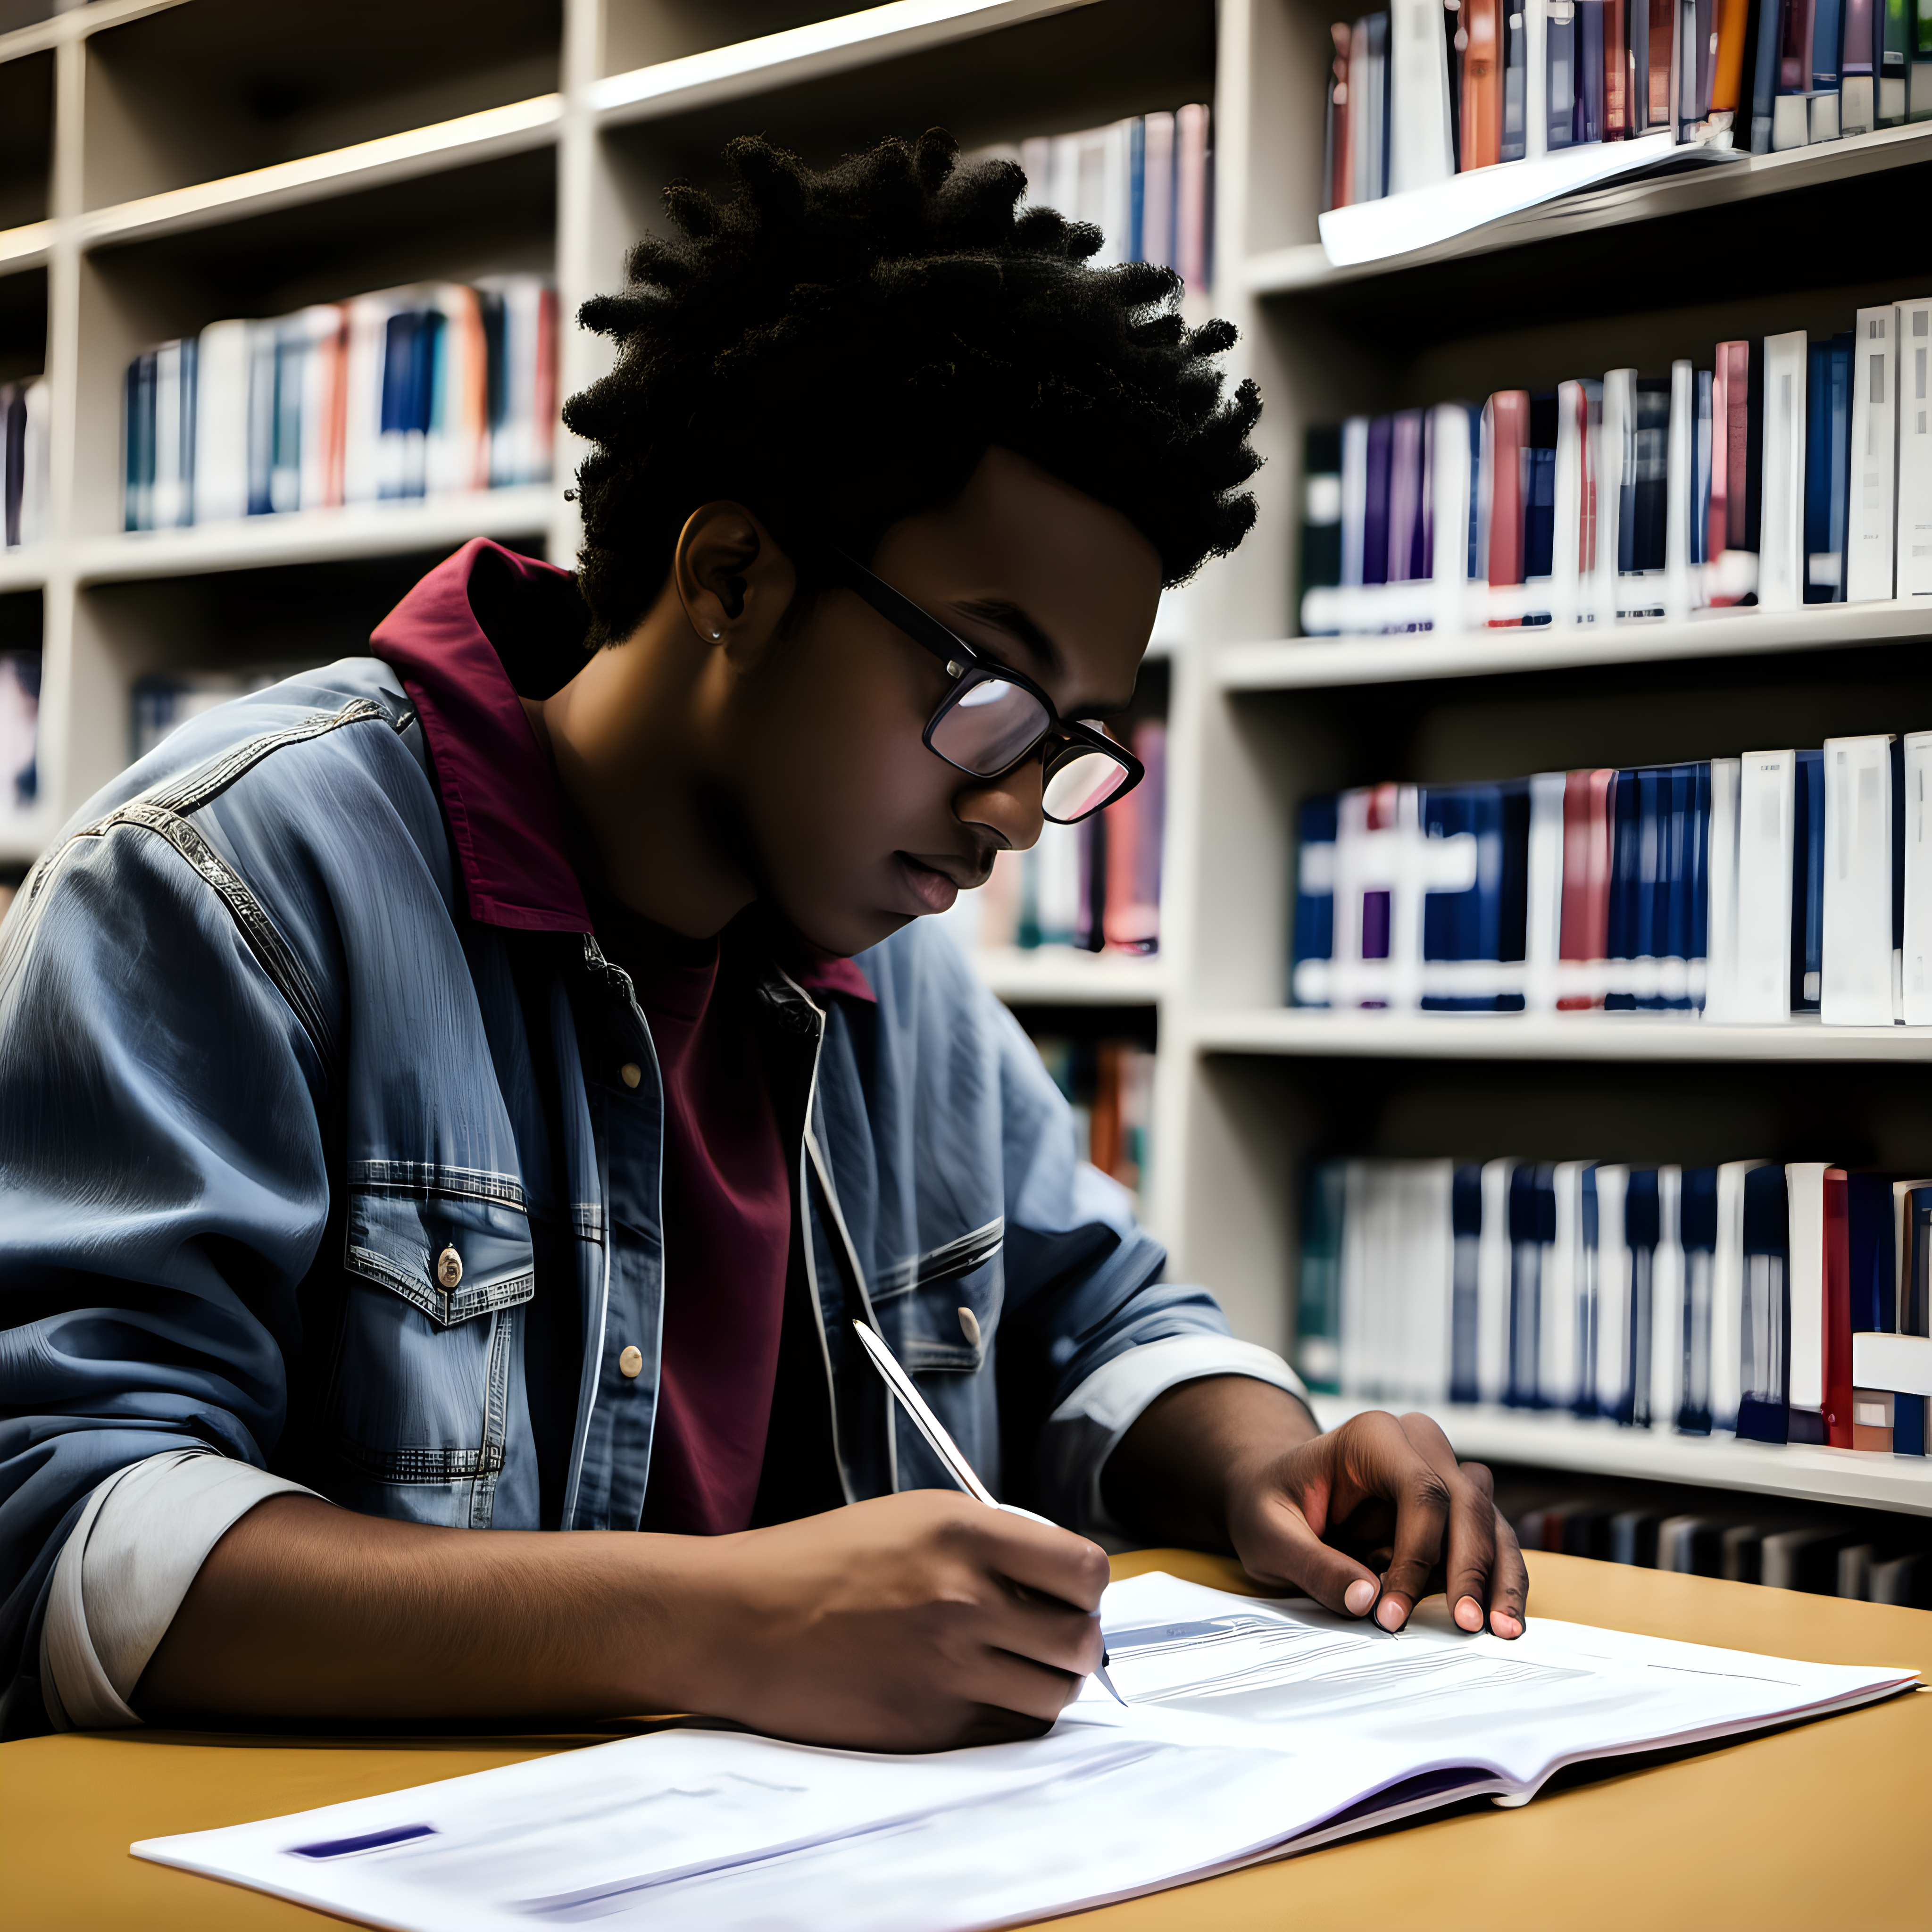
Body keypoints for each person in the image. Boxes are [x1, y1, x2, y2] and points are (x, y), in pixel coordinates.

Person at [0, 132, 1524, 1750]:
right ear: (731, 576)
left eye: (1068, 740)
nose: (1016, 814)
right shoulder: (230, 880)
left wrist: (1261, 1457)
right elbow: (66, 1530)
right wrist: (727, 1622)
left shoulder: (892, 971)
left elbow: (1104, 1316)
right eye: (990, 699)